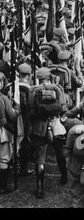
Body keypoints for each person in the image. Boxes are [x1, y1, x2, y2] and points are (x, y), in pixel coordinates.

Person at [29, 67, 68, 199]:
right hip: (55, 125)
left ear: (38, 78)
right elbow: (63, 108)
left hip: (39, 127)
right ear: (49, 77)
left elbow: (32, 112)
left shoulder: (33, 90)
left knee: (40, 157)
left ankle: (40, 188)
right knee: (60, 152)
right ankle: (64, 177)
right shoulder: (57, 88)